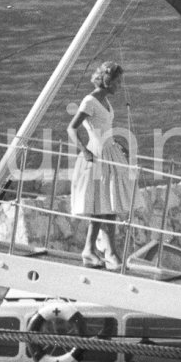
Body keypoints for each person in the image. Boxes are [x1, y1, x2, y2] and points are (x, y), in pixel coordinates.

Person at [67, 61, 136, 270]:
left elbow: (105, 128)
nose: (119, 86)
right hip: (97, 155)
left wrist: (118, 145)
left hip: (110, 152)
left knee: (109, 205)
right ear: (107, 81)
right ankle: (99, 251)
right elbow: (71, 128)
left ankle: (103, 251)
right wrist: (83, 150)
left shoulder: (105, 100)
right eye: (117, 82)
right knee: (102, 206)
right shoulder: (90, 100)